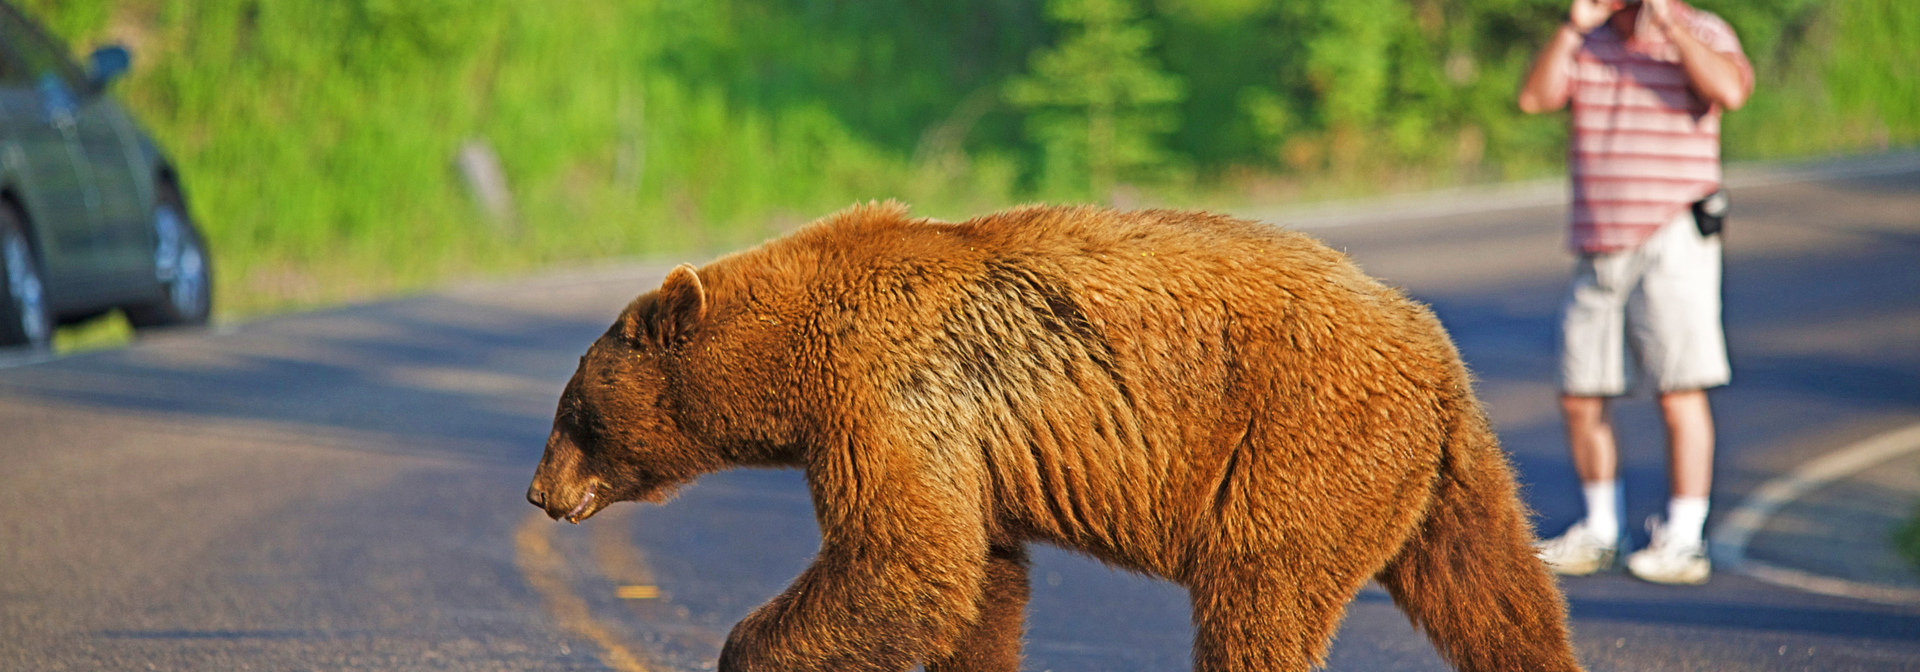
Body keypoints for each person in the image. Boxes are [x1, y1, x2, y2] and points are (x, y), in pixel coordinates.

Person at [1516, 0, 1752, 585]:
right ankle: (1600, 528)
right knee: (1580, 393)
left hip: (1672, 234)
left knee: (1678, 391)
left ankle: (1685, 537)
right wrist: (1575, 25)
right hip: (1598, 241)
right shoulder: (1588, 39)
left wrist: (1669, 23)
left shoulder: (1701, 30)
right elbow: (1533, 98)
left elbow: (1732, 90)